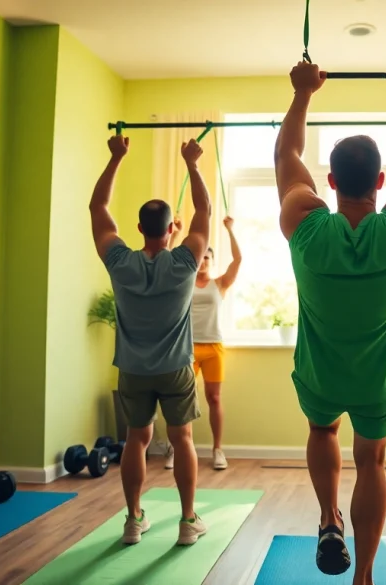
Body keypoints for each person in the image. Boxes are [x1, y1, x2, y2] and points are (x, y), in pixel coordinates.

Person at [274, 60, 386, 585]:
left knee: (322, 429)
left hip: (320, 374)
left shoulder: (305, 223)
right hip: (379, 380)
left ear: (330, 181)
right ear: (382, 181)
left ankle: (328, 518)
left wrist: (302, 94)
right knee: (372, 463)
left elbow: (286, 155)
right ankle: (363, 575)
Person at [89, 134, 211, 547]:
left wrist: (116, 158)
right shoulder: (184, 262)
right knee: (183, 441)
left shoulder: (120, 263)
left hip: (133, 370)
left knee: (135, 441)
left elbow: (98, 209)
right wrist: (193, 165)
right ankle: (188, 521)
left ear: (139, 228)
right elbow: (205, 211)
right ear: (169, 229)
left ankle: (133, 520)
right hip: (175, 369)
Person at [164, 215, 242, 471]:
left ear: (211, 260)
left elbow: (238, 260)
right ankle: (175, 448)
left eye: (207, 257)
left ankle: (218, 450)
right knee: (181, 401)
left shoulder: (219, 283)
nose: (203, 261)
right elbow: (167, 261)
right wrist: (174, 234)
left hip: (213, 348)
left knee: (214, 398)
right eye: (200, 258)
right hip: (186, 348)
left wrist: (229, 230)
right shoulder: (183, 281)